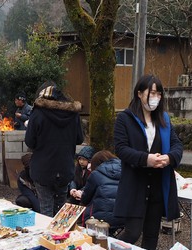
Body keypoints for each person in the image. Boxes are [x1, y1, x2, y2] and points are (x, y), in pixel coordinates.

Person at [113, 74, 183, 250]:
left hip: (158, 185)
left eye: (159, 94)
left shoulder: (164, 120)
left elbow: (176, 145)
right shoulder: (125, 119)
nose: (155, 98)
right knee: (132, 232)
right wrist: (147, 159)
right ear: (139, 93)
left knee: (152, 235)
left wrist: (169, 158)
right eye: (152, 93)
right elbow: (121, 149)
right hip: (135, 185)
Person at [24, 81, 84, 217]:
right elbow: (79, 139)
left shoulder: (38, 113)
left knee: (45, 209)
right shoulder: (73, 114)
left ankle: (47, 237)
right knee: (61, 209)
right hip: (65, 167)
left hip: (43, 168)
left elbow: (30, 142)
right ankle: (61, 236)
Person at [80, 150, 123, 232]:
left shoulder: (96, 174)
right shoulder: (125, 172)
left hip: (99, 220)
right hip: (121, 218)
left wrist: (80, 194)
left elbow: (85, 199)